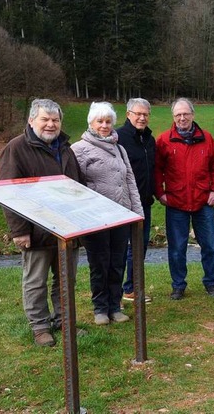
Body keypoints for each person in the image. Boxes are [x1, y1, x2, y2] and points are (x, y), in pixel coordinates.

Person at [0, 98, 83, 347]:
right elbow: (8, 192)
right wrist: (20, 230)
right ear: (32, 120)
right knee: (36, 280)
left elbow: (78, 185)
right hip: (36, 229)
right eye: (45, 119)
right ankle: (40, 327)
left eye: (55, 120)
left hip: (68, 227)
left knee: (66, 279)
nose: (50, 124)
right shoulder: (16, 148)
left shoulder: (65, 147)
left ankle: (65, 322)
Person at [71, 102, 144, 325]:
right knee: (99, 263)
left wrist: (137, 211)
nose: (104, 125)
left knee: (117, 262)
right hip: (95, 218)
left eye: (108, 121)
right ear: (91, 123)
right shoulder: (79, 149)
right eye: (100, 121)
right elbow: (74, 186)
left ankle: (115, 305)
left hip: (120, 215)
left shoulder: (119, 148)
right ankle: (100, 308)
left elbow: (129, 180)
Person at [154, 98, 214, 300]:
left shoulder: (207, 139)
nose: (182, 118)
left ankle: (211, 283)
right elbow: (157, 169)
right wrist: (160, 192)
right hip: (176, 203)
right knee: (177, 248)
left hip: (203, 202)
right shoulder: (164, 140)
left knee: (210, 245)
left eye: (185, 114)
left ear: (193, 114)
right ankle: (178, 286)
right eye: (178, 115)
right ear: (173, 117)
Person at [117, 98, 155, 304]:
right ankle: (115, 292)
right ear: (128, 114)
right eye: (137, 114)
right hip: (122, 203)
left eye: (145, 114)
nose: (142, 118)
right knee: (121, 249)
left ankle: (132, 288)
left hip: (144, 203)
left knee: (139, 247)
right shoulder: (118, 137)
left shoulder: (149, 139)